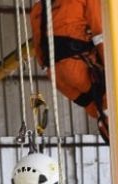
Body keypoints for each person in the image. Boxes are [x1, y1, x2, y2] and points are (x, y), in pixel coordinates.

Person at [30, 0, 108, 143]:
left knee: (93, 106)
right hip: (73, 67)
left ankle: (106, 125)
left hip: (56, 74)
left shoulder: (38, 8)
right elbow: (99, 34)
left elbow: (38, 47)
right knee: (108, 98)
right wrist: (108, 66)